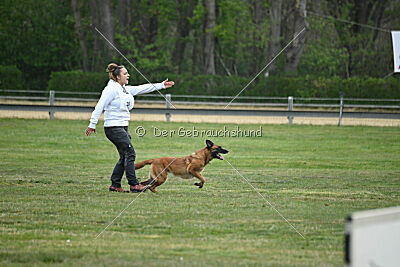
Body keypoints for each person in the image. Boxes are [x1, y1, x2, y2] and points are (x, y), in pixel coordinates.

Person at [85, 63, 175, 192]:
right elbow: (99, 106)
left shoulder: (124, 89)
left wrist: (161, 85)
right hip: (113, 128)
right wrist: (92, 124)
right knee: (130, 153)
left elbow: (142, 88)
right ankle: (134, 184)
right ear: (117, 77)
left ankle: (115, 185)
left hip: (123, 127)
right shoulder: (110, 89)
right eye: (125, 73)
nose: (128, 75)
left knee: (124, 156)